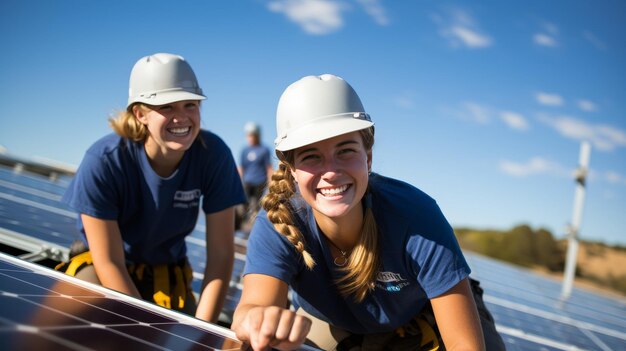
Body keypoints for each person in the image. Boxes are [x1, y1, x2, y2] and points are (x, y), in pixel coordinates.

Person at [232, 74, 505, 350]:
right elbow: (249, 312)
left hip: (426, 314)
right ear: (292, 169)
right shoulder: (278, 222)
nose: (331, 172)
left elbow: (465, 345)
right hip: (334, 322)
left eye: (346, 151)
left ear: (368, 157)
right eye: (311, 156)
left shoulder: (417, 218)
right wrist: (257, 319)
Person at [58, 53, 245, 323]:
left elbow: (221, 255)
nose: (182, 118)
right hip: (105, 268)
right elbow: (109, 262)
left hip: (167, 271)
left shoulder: (213, 155)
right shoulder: (103, 161)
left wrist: (201, 331)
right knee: (83, 321)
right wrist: (141, 328)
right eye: (167, 107)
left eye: (190, 105)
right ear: (140, 114)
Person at [237, 122, 273, 229]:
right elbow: (241, 167)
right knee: (244, 202)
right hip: (248, 181)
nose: (251, 138)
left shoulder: (264, 150)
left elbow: (268, 167)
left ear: (257, 135)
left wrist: (271, 182)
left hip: (260, 181)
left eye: (253, 135)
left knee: (256, 204)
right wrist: (237, 181)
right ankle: (243, 223)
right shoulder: (245, 150)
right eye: (249, 135)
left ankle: (254, 226)